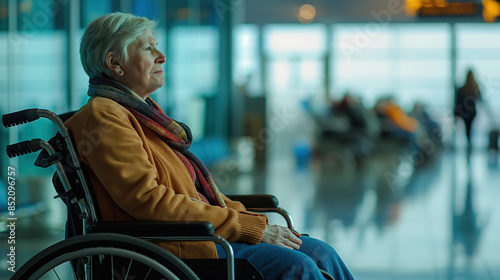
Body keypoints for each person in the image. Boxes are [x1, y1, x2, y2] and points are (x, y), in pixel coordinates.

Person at [66, 12, 354, 280]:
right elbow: (150, 201)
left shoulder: (140, 115)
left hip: (197, 234)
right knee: (298, 265)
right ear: (114, 63)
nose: (161, 57)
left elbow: (193, 194)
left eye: (156, 46)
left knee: (320, 252)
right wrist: (245, 227)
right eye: (147, 49)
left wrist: (254, 224)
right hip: (173, 248)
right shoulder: (104, 117)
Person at [454, 70, 482, 150]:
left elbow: (457, 102)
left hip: (464, 113)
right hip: (472, 113)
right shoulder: (475, 88)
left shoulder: (462, 89)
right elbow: (480, 100)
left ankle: (468, 143)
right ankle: (469, 143)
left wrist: (455, 113)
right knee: (470, 128)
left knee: (467, 128)